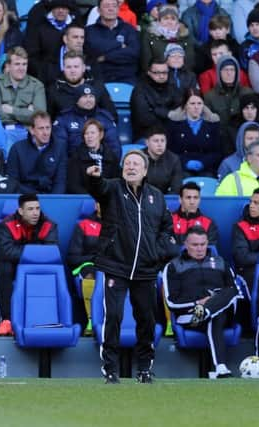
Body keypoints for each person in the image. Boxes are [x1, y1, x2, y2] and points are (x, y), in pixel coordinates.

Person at [84, 150, 179, 384]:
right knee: (113, 316)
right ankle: (110, 369)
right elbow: (98, 188)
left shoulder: (156, 196)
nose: (131, 167)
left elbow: (167, 230)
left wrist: (157, 252)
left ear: (145, 170)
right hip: (115, 264)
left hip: (146, 269)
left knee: (146, 319)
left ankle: (145, 368)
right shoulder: (113, 188)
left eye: (136, 163)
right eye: (127, 163)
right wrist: (93, 178)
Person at [163, 225, 240, 378]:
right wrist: (197, 303)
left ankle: (207, 311)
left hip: (223, 311)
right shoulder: (173, 267)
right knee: (214, 316)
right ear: (185, 244)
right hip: (190, 315)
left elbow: (233, 293)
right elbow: (171, 302)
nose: (200, 249)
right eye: (195, 245)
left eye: (203, 244)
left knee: (231, 291)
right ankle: (221, 367)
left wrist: (210, 303)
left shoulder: (220, 262)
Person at [0, 193, 58, 336]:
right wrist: (33, 252)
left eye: (37, 208)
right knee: (3, 267)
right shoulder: (6, 225)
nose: (35, 213)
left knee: (55, 270)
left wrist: (28, 254)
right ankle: (7, 321)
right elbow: (6, 252)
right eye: (30, 209)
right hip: (13, 266)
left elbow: (50, 252)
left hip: (37, 267)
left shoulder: (49, 225)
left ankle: (46, 320)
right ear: (21, 211)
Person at [0, 46, 47, 152]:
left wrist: (11, 110)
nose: (21, 68)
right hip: (4, 131)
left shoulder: (37, 85)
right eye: (17, 64)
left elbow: (40, 117)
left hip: (28, 132)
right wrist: (28, 112)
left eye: (24, 64)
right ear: (8, 66)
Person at [52, 80, 119, 158]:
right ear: (76, 100)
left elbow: (115, 148)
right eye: (84, 97)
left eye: (91, 96)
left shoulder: (105, 118)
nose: (88, 100)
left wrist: (107, 166)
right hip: (73, 165)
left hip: (101, 163)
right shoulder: (64, 119)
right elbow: (59, 150)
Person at [6, 111, 67, 194]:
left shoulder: (60, 147)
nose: (45, 133)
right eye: (41, 128)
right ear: (32, 130)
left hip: (50, 197)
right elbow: (13, 182)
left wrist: (54, 201)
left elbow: (60, 181)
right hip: (25, 197)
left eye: (48, 128)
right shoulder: (17, 149)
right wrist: (33, 199)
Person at [167, 88, 222, 177]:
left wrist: (204, 163)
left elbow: (217, 152)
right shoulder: (175, 123)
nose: (196, 107)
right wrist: (185, 162)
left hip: (207, 168)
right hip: (182, 168)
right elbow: (170, 151)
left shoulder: (212, 123)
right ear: (185, 105)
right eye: (192, 104)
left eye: (199, 103)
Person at [84, 0, 140, 85]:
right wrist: (119, 45)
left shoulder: (129, 29)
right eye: (106, 6)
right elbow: (95, 47)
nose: (111, 9)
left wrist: (106, 57)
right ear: (99, 10)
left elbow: (133, 52)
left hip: (126, 79)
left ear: (118, 9)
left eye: (114, 6)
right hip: (99, 79)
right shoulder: (89, 30)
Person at [67, 202, 102, 335]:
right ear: (96, 206)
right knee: (90, 275)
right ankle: (91, 320)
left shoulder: (122, 225)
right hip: (89, 265)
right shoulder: (83, 225)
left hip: (113, 266)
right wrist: (93, 259)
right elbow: (72, 257)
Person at [24, 0, 76, 84]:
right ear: (52, 9)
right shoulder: (39, 27)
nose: (61, 11)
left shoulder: (75, 26)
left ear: (69, 10)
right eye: (57, 7)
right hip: (45, 79)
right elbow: (31, 55)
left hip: (73, 78)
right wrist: (44, 74)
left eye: (64, 8)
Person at [131, 58, 182, 140]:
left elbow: (180, 113)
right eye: (156, 73)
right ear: (149, 72)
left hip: (172, 133)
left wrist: (156, 110)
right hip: (147, 135)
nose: (161, 76)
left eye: (164, 72)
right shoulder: (139, 90)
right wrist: (168, 114)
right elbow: (144, 119)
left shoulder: (173, 87)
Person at [66, 118, 120, 194]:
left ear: (101, 135)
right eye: (86, 133)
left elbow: (116, 183)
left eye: (92, 133)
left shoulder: (111, 157)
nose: (89, 136)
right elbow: (73, 185)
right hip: (84, 199)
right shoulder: (76, 157)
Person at [139, 4, 194, 73]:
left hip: (180, 75)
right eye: (165, 18)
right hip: (157, 75)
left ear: (177, 21)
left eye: (173, 19)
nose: (169, 22)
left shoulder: (185, 36)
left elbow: (189, 61)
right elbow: (146, 61)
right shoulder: (149, 36)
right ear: (159, 20)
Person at [172, 181, 219, 245]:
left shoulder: (209, 223)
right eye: (188, 197)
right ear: (180, 199)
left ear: (199, 200)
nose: (192, 202)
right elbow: (166, 247)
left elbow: (210, 249)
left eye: (195, 198)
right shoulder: (169, 220)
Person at [141, 125, 183, 194]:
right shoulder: (138, 158)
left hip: (165, 199)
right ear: (147, 142)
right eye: (156, 141)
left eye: (162, 141)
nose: (160, 144)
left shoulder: (173, 159)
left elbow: (176, 188)